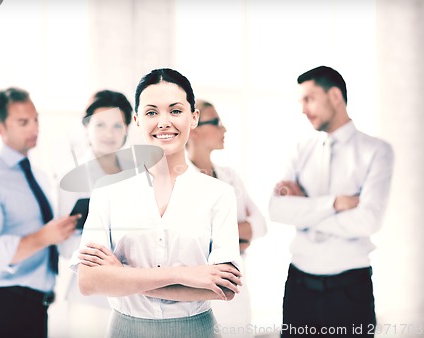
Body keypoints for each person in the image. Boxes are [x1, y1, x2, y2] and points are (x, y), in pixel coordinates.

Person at [70, 68, 243, 338]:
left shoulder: (218, 194)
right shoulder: (108, 191)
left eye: (175, 111)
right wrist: (186, 275)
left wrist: (123, 276)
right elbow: (90, 281)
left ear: (193, 117)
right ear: (137, 120)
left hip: (196, 330)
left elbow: (225, 288)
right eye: (152, 113)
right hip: (126, 329)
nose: (163, 122)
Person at [269, 66, 394, 337]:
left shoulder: (377, 151)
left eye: (309, 99)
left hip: (350, 289)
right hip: (299, 285)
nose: (303, 109)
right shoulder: (300, 150)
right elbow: (277, 209)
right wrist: (334, 203)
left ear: (335, 95)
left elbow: (368, 221)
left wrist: (304, 208)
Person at [0, 87, 79, 338]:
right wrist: (43, 237)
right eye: (23, 122)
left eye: (36, 119)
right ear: (0, 128)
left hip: (37, 308)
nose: (34, 128)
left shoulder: (38, 175)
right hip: (4, 309)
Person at [186, 99, 267, 335]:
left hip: (237, 290)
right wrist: (238, 235)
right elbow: (193, 240)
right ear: (194, 130)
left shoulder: (230, 177)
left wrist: (224, 234)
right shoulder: (179, 182)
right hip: (198, 296)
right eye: (216, 122)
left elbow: (260, 225)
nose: (224, 129)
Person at [56, 90, 133, 338]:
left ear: (127, 128)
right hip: (89, 300)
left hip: (133, 295)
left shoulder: (141, 176)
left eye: (117, 125)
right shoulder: (69, 178)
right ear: (87, 126)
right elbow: (65, 246)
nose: (109, 134)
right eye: (101, 125)